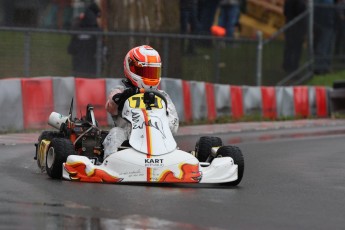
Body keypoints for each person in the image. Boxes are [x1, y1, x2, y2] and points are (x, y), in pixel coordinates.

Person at [103, 45, 180, 158]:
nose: (149, 76)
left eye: (152, 72)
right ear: (131, 68)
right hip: (128, 141)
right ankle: (110, 164)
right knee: (116, 133)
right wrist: (122, 97)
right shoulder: (120, 91)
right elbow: (110, 106)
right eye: (145, 71)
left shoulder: (162, 96)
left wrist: (159, 122)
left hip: (159, 139)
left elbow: (174, 126)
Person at [68, 2, 102, 77]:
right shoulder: (96, 31)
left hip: (77, 68)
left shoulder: (77, 29)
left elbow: (70, 49)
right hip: (92, 69)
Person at [282, 0, 307, 74]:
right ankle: (293, 66)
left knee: (289, 46)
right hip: (297, 27)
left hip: (290, 25)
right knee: (296, 48)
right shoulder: (300, 3)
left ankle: (287, 65)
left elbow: (285, 12)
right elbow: (301, 12)